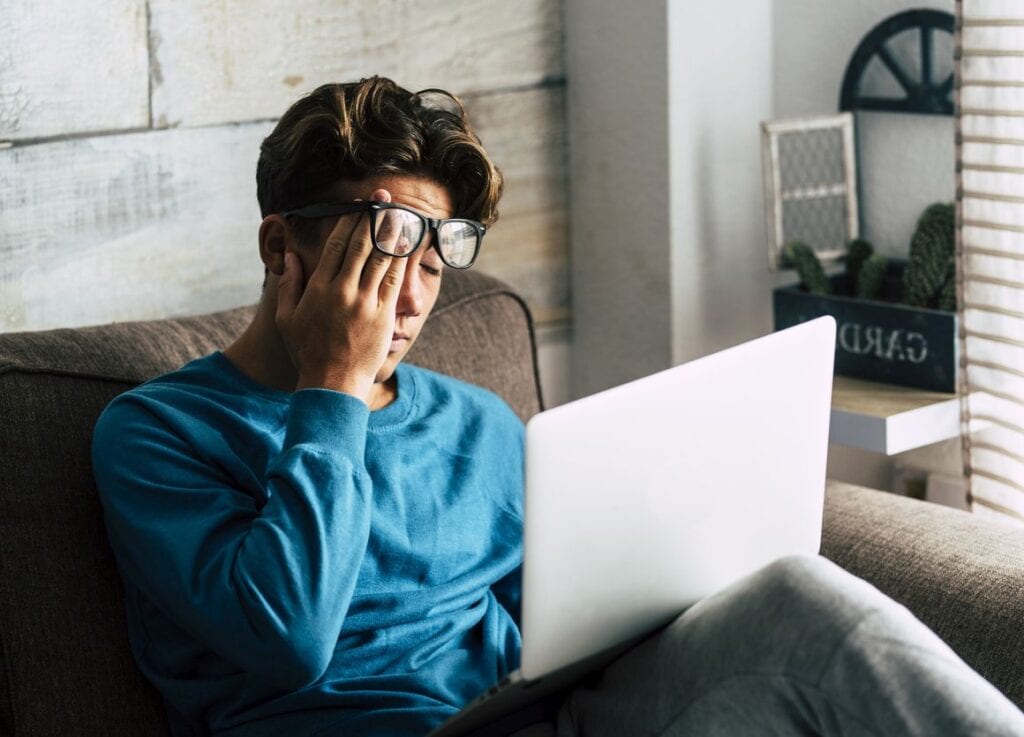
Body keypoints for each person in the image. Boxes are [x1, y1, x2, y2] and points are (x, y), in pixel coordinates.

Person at [92, 76, 1024, 737]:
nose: (413, 297)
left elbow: (566, 626)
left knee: (795, 601)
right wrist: (331, 386)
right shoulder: (156, 433)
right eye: (385, 244)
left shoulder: (478, 424)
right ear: (279, 246)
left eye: (433, 257)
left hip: (551, 717)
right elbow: (287, 635)